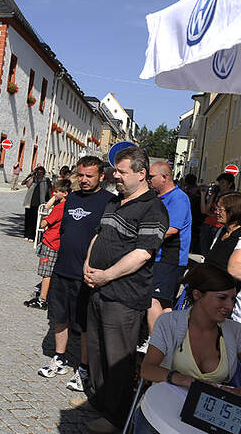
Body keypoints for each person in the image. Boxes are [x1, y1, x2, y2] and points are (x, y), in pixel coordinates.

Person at [76, 146, 169, 434]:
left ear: (141, 174)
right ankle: (101, 400)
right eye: (115, 170)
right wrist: (88, 266)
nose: (114, 175)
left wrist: (106, 276)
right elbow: (99, 236)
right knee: (98, 350)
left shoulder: (153, 208)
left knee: (118, 359)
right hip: (99, 289)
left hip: (124, 296)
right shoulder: (115, 202)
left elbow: (142, 254)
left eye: (121, 171)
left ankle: (116, 417)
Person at [134, 264, 241, 433]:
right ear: (197, 294)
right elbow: (147, 370)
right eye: (222, 298)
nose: (230, 306)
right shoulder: (169, 322)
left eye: (233, 299)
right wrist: (185, 380)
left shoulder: (235, 331)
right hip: (163, 409)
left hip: (209, 416)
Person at [39, 156, 112, 393]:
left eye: (89, 176)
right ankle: (59, 358)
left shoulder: (110, 201)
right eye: (80, 175)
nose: (83, 180)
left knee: (84, 324)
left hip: (88, 274)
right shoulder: (71, 199)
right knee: (59, 317)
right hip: (63, 268)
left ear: (101, 176)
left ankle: (83, 368)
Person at [140, 161, 192, 352]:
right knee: (164, 303)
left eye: (151, 176)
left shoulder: (178, 198)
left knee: (153, 299)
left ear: (164, 177)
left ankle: (154, 343)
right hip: (161, 256)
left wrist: (142, 237)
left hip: (171, 257)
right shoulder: (159, 197)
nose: (148, 179)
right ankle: (166, 343)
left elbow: (172, 229)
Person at [25, 179, 71, 310]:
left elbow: (43, 223)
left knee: (47, 272)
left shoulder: (59, 208)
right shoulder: (68, 205)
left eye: (57, 192)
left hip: (51, 242)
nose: (55, 194)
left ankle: (43, 298)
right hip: (58, 242)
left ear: (65, 193)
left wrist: (48, 210)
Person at [204, 192, 241, 319]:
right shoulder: (222, 231)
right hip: (209, 288)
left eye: (220, 209)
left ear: (233, 211)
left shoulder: (239, 235)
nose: (216, 212)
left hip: (226, 295)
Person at [200, 173, 236, 255]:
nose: (220, 185)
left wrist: (214, 214)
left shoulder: (232, 197)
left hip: (219, 227)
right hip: (207, 225)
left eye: (223, 182)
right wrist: (203, 196)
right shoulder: (215, 194)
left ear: (230, 184)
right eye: (219, 182)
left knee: (215, 252)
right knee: (204, 253)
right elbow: (204, 211)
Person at [23, 167, 51, 242]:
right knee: (28, 219)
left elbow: (49, 191)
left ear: (43, 173)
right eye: (38, 172)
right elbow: (26, 184)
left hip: (40, 203)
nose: (39, 174)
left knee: (36, 220)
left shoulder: (46, 180)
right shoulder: (34, 179)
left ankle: (32, 236)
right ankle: (26, 234)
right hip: (30, 202)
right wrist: (32, 176)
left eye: (41, 172)